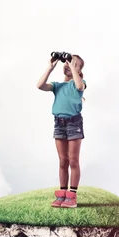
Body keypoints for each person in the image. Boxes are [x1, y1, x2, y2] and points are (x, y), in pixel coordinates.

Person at [36, 54, 86, 208]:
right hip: (59, 124)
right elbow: (40, 85)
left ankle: (72, 196)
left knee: (73, 160)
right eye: (68, 63)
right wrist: (50, 67)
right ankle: (63, 194)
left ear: (79, 70)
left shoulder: (80, 83)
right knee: (63, 161)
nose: (69, 65)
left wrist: (71, 65)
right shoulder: (57, 86)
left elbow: (79, 86)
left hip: (73, 123)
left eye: (74, 64)